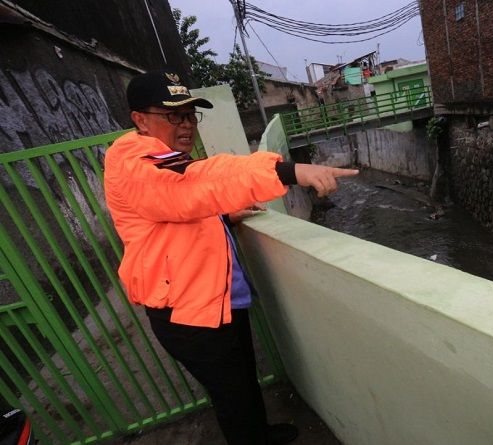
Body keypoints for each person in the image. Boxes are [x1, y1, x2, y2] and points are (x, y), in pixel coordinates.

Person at [103, 70, 357, 445]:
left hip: (212, 302)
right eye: (174, 115)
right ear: (140, 119)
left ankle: (260, 433)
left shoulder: (162, 159)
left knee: (241, 379)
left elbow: (176, 207)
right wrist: (287, 171)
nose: (187, 125)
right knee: (232, 394)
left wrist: (223, 216)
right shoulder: (134, 162)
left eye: (190, 115)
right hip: (188, 313)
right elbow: (191, 187)